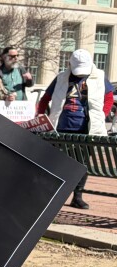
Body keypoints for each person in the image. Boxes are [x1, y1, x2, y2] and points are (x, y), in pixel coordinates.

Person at [37, 48, 114, 209]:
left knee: (82, 164)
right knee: (59, 163)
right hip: (62, 128)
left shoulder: (99, 76)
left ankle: (77, 196)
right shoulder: (61, 78)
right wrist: (40, 116)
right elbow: (45, 99)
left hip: (87, 128)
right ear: (70, 65)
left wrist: (101, 115)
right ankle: (53, 195)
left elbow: (108, 98)